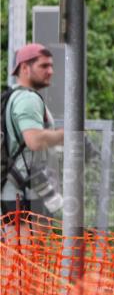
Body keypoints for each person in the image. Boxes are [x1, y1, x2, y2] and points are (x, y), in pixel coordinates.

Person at [2, 43, 62, 219]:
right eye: (43, 66)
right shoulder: (28, 99)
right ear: (25, 68)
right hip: (24, 193)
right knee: (28, 247)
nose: (50, 71)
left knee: (16, 247)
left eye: (51, 66)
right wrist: (65, 136)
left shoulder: (11, 96)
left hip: (12, 190)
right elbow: (34, 140)